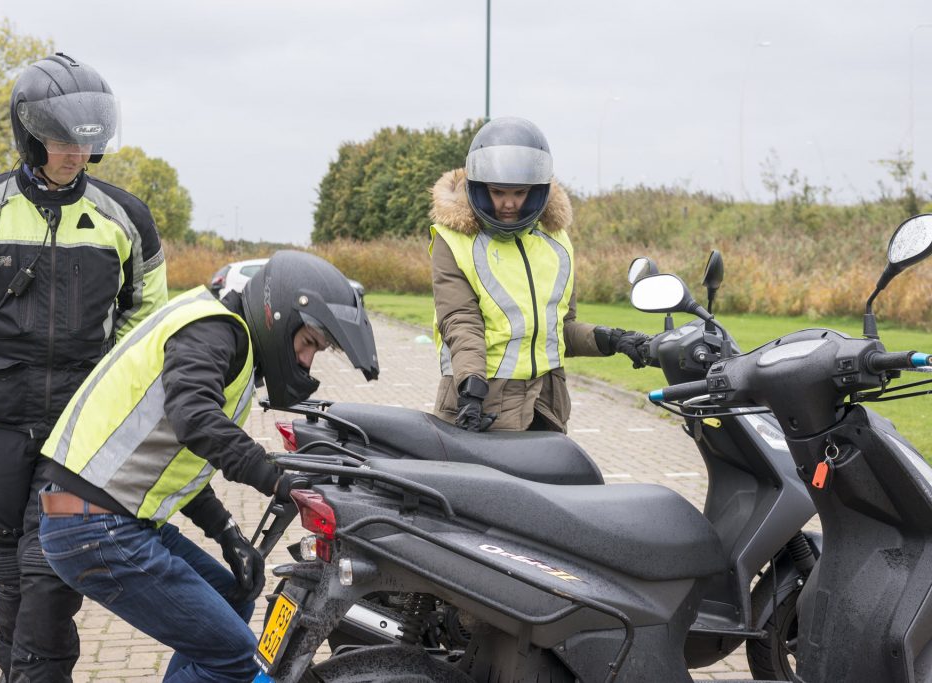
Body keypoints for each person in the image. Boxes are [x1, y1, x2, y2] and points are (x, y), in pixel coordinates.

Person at [0, 53, 169, 681]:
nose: (74, 155)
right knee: (6, 564)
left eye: (86, 143)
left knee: (53, 567)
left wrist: (105, 379)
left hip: (79, 433)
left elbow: (148, 310)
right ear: (29, 134)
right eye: (61, 141)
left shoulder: (126, 218)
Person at [37, 251, 380, 682]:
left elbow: (174, 457)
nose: (307, 361)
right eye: (308, 343)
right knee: (234, 656)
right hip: (95, 528)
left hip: (110, 519)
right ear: (278, 317)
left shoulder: (220, 335)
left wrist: (226, 532)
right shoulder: (213, 330)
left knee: (235, 596)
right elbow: (196, 420)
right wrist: (276, 478)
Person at [429, 116, 650, 433]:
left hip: (545, 407)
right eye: (497, 192)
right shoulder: (454, 241)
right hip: (480, 405)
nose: (508, 203)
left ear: (537, 190)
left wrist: (614, 340)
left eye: (519, 192)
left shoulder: (556, 243)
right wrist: (471, 389)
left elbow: (561, 331)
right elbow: (461, 322)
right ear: (479, 188)